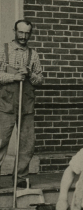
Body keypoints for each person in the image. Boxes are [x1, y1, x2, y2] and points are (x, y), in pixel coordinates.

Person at [0, 19, 44, 190]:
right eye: (21, 32)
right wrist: (13, 77)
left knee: (27, 144)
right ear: (14, 31)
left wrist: (31, 74)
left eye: (27, 33)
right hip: (5, 105)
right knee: (1, 141)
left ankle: (21, 177)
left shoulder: (33, 54)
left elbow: (40, 80)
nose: (24, 36)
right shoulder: (3, 50)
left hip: (26, 106)